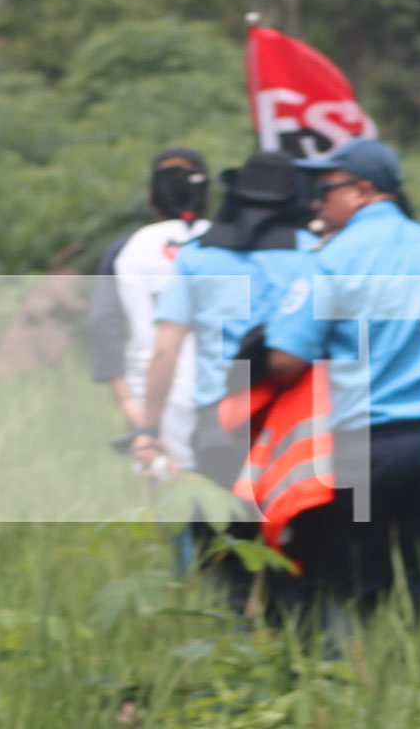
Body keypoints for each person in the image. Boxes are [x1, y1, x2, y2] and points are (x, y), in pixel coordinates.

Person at [264, 138, 420, 630]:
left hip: (357, 449)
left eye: (324, 189)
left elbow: (285, 361)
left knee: (346, 592)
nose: (317, 203)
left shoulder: (329, 260)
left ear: (361, 190)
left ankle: (343, 696)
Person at [133, 150, 314, 608]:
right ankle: (290, 659)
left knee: (222, 558)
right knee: (291, 553)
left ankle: (229, 655)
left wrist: (149, 429)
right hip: (293, 427)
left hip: (218, 424)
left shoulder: (196, 260)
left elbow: (165, 349)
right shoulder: (314, 257)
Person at [88, 148, 210, 470]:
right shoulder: (228, 243)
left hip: (152, 397)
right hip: (226, 396)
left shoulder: (128, 249)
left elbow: (104, 325)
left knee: (167, 505)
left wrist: (130, 406)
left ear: (150, 197)